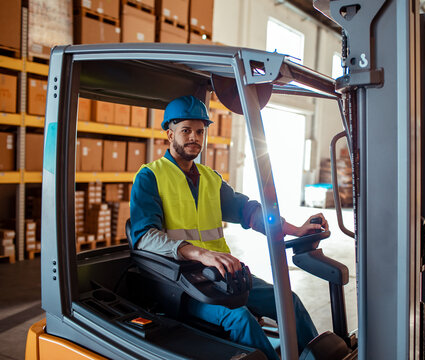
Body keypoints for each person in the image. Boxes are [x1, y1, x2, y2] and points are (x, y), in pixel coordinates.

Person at [130, 95, 328, 360]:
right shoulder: (150, 176)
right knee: (241, 319)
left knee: (288, 301)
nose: (194, 138)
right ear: (170, 134)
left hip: (223, 275)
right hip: (180, 283)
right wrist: (199, 253)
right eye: (186, 130)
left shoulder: (210, 178)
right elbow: (145, 237)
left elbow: (249, 211)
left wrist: (296, 229)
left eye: (200, 131)